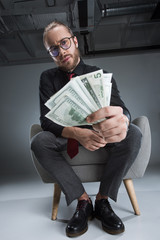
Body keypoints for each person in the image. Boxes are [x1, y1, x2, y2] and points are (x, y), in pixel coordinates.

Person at [31, 21, 142, 237]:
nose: (61, 51)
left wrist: (124, 120)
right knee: (39, 141)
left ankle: (102, 201)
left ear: (74, 41)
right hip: (68, 139)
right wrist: (77, 133)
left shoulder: (100, 73)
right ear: (50, 54)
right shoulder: (47, 78)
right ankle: (83, 201)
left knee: (134, 134)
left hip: (100, 137)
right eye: (53, 49)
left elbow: (123, 109)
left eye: (64, 43)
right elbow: (46, 121)